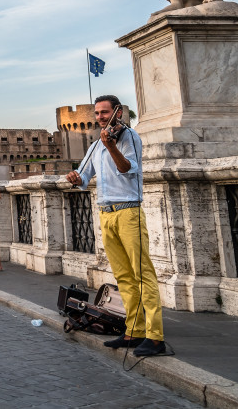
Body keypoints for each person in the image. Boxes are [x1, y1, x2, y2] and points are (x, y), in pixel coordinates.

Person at [66, 95, 165, 358]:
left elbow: (127, 168)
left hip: (128, 212)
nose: (99, 117)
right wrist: (74, 178)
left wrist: (111, 146)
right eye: (97, 113)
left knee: (143, 274)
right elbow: (83, 176)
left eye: (104, 112)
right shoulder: (95, 145)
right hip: (106, 213)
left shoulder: (129, 137)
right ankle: (134, 330)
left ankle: (155, 338)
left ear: (117, 112)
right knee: (123, 277)